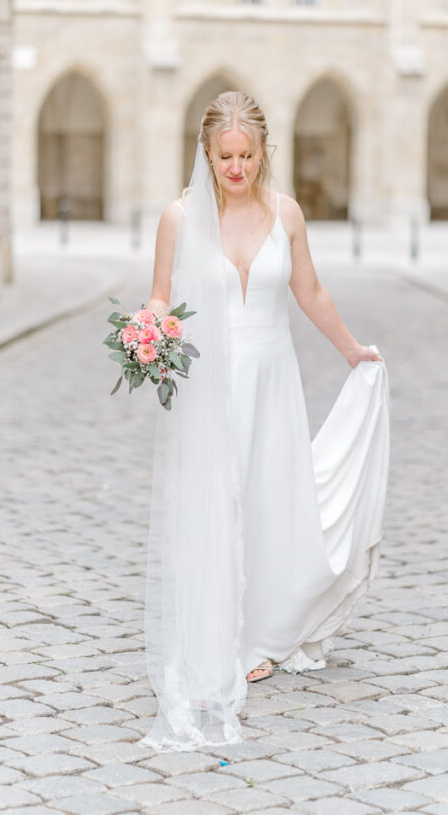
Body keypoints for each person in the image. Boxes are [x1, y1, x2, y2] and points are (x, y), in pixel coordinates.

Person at [140, 91, 389, 753]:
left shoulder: (286, 214)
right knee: (214, 502)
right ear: (206, 153)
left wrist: (350, 352)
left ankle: (262, 636)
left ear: (262, 153)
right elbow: (161, 294)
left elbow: (309, 292)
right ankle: (213, 636)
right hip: (210, 382)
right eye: (224, 156)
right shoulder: (179, 217)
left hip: (273, 377)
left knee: (268, 498)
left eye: (247, 155)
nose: (236, 167)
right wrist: (150, 332)